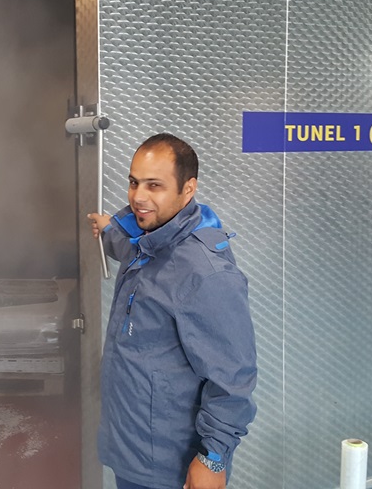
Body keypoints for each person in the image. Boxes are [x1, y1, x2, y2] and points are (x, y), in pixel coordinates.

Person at [87, 133, 257, 489]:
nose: (138, 197)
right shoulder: (151, 240)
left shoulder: (205, 275)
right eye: (134, 182)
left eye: (155, 185)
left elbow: (232, 379)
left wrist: (212, 458)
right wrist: (108, 231)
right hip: (131, 448)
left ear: (188, 189)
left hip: (167, 466)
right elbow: (133, 248)